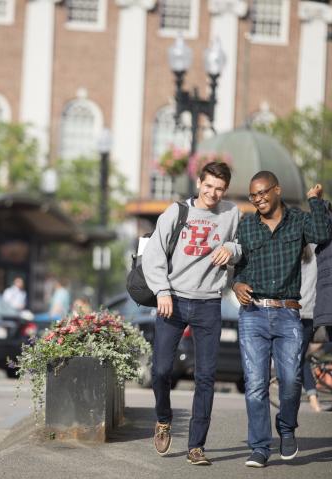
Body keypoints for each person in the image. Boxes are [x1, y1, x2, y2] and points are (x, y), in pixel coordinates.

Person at [142, 162, 241, 466]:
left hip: (209, 302)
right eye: (208, 185)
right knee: (160, 370)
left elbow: (240, 245)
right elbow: (154, 253)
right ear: (199, 182)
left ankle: (196, 445)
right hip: (173, 300)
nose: (213, 193)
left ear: (225, 190)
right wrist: (162, 291)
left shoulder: (231, 213)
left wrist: (233, 250)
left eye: (219, 188)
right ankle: (163, 418)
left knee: (206, 377)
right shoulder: (176, 212)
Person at [232, 171, 332, 468]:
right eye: (253, 195)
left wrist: (315, 201)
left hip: (288, 312)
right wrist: (236, 284)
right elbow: (241, 266)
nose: (258, 199)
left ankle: (286, 428)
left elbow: (322, 233)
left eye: (263, 193)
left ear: (277, 190)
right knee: (255, 385)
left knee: (291, 380)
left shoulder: (299, 221)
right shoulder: (247, 226)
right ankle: (260, 447)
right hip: (252, 315)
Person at [299, 243, 322, 412]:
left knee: (296, 360)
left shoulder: (292, 244)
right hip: (310, 312)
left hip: (292, 311)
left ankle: (313, 399)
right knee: (300, 359)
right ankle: (313, 399)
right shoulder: (318, 250)